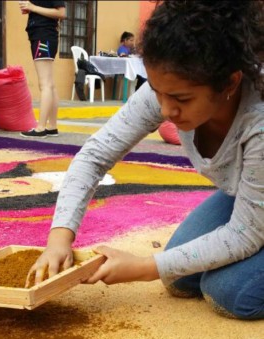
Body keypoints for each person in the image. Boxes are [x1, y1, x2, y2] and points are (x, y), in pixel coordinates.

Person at [27, 0, 264, 320]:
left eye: (181, 100)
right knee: (179, 277)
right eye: (157, 92)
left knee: (227, 290)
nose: (166, 110)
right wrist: (59, 239)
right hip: (248, 192)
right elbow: (94, 156)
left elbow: (245, 235)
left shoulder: (257, 118)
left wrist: (142, 268)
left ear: (230, 83)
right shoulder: (171, 84)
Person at [19, 0, 66, 139]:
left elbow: (61, 13)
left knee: (45, 84)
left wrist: (33, 7)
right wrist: (32, 9)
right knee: (50, 84)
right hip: (42, 35)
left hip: (43, 36)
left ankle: (41, 128)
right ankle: (52, 126)